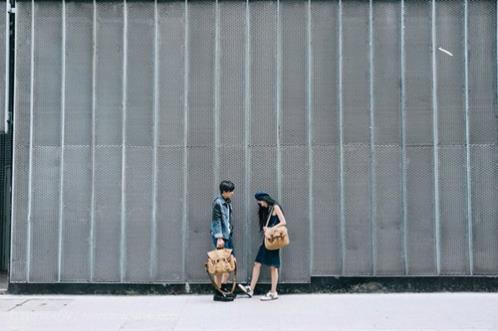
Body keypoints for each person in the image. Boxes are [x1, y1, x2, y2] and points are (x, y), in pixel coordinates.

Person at [238, 192, 286, 301]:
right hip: (267, 241)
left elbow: (283, 222)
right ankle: (251, 289)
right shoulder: (269, 209)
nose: (259, 204)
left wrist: (271, 229)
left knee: (273, 267)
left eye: (260, 202)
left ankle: (273, 292)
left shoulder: (275, 207)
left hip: (273, 241)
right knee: (257, 263)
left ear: (264, 200)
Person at [210, 180, 236, 302]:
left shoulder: (228, 202)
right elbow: (216, 221)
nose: (233, 193)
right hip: (221, 238)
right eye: (231, 191)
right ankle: (218, 291)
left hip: (227, 236)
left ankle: (223, 288)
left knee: (229, 264)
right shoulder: (218, 203)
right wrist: (219, 237)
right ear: (225, 192)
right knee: (220, 265)